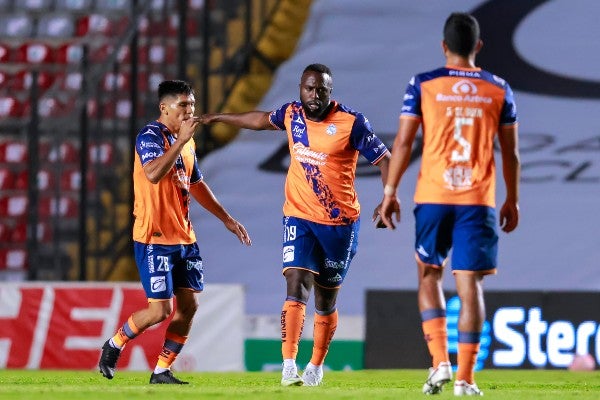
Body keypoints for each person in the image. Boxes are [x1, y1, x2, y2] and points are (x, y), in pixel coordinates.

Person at [199, 63, 390, 386]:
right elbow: (260, 120)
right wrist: (219, 117)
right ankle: (289, 366)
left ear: (331, 91)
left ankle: (315, 366)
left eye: (321, 90)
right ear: (301, 88)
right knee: (295, 282)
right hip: (299, 216)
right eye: (309, 88)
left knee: (325, 301)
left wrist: (388, 198)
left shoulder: (351, 122)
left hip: (339, 224)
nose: (314, 95)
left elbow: (385, 159)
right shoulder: (291, 114)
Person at [378, 13, 520, 396]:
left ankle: (440, 361)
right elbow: (511, 154)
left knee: (428, 275)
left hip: (434, 197)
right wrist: (513, 200)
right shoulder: (499, 88)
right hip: (477, 199)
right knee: (469, 284)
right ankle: (465, 379)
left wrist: (390, 192)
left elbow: (405, 144)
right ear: (478, 46)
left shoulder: (423, 84)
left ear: (444, 47)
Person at [98, 80, 252, 384]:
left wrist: (226, 218)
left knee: (189, 306)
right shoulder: (150, 136)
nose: (190, 110)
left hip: (185, 238)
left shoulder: (188, 141)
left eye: (192, 104)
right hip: (154, 237)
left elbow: (196, 184)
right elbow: (153, 174)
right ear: (164, 107)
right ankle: (114, 343)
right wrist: (180, 142)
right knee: (159, 311)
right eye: (183, 105)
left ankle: (162, 370)